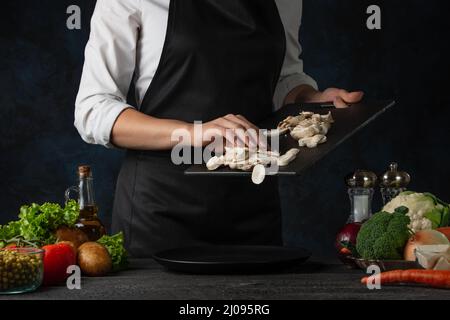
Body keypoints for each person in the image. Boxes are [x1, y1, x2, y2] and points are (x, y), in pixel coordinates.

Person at [75, 0, 363, 257]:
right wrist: (193, 133)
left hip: (253, 207)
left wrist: (310, 99)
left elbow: (283, 78)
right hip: (161, 210)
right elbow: (92, 109)